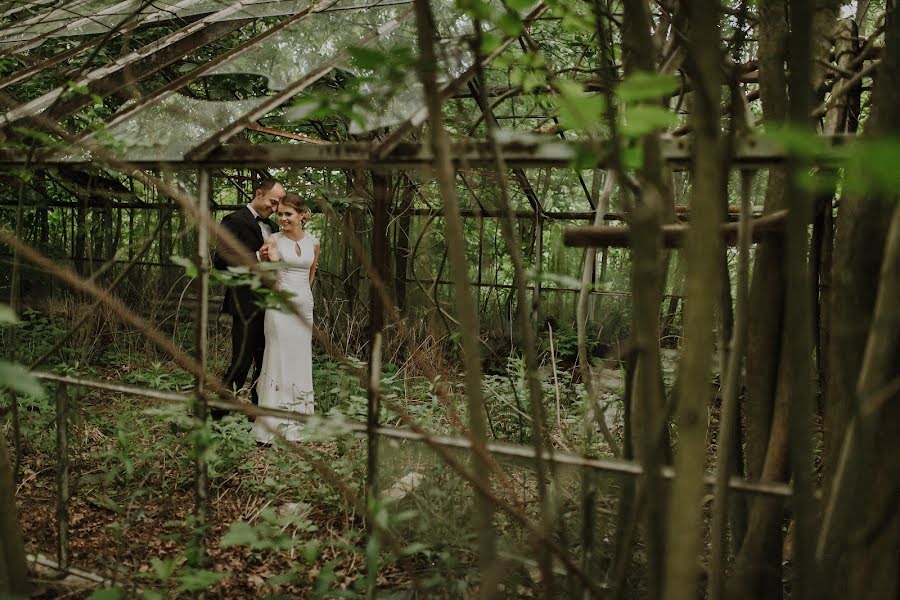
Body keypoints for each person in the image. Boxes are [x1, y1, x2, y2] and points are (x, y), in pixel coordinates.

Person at [252, 193, 319, 443]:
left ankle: (299, 423)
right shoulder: (273, 241)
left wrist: (304, 299)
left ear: (303, 215)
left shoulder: (314, 242)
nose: (282, 218)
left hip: (304, 307)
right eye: (280, 214)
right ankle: (270, 426)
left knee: (300, 361)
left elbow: (310, 275)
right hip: (279, 307)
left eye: (288, 214)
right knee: (277, 359)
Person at [212, 177, 285, 408]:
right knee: (241, 361)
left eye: (277, 206)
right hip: (244, 303)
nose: (274, 210)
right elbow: (221, 260)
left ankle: (256, 414)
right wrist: (256, 257)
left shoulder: (273, 227)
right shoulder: (233, 220)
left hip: (271, 305)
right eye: (272, 203)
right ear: (259, 192)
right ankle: (219, 415)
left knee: (265, 362)